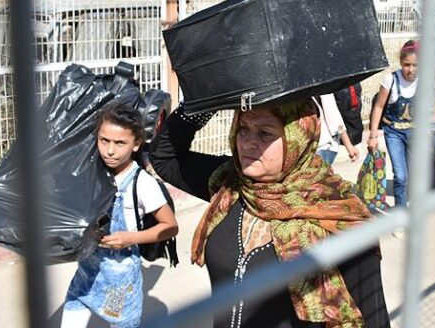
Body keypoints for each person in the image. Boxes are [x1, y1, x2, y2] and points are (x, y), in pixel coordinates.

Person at [150, 100, 391, 327]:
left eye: (265, 133)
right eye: (243, 128)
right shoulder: (229, 184)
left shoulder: (340, 217)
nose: (247, 142)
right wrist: (206, 97)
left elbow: (373, 318)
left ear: (298, 135)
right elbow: (164, 156)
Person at [61, 103, 179, 328]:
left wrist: (130, 238)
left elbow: (171, 226)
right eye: (104, 141)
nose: (110, 151)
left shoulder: (142, 184)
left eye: (120, 143)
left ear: (136, 145)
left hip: (120, 279)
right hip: (87, 271)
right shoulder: (93, 172)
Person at [367, 40, 418, 212]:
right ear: (401, 63)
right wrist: (373, 136)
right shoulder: (391, 80)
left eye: (414, 65)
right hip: (394, 132)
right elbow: (379, 107)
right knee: (401, 176)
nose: (410, 70)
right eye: (406, 65)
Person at [315, 93, 359, 165]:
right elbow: (333, 117)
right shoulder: (321, 87)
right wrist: (349, 146)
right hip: (324, 145)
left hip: (309, 148)